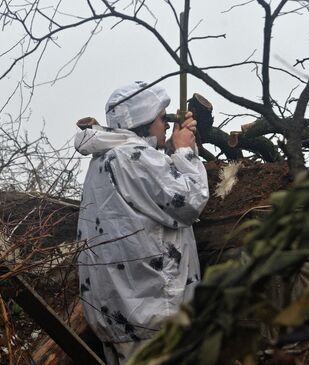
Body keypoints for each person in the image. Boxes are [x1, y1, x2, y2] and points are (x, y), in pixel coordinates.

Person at [74, 81, 209, 364]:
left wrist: (171, 151)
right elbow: (190, 201)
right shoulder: (134, 158)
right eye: (162, 118)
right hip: (153, 316)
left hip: (120, 317)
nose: (164, 125)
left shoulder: (106, 158)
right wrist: (184, 152)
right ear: (143, 121)